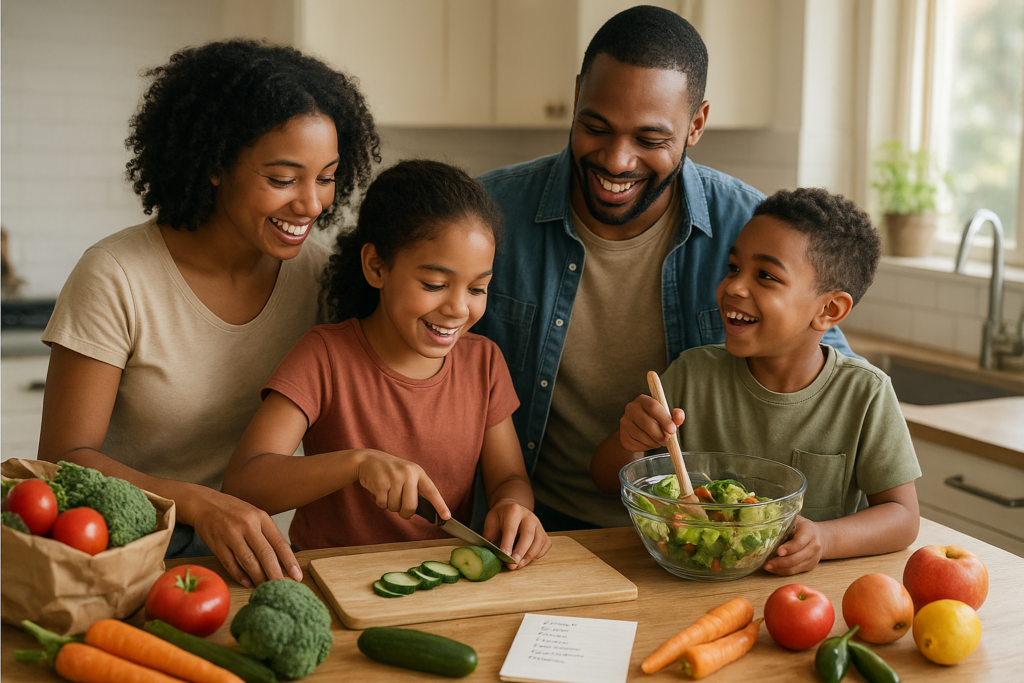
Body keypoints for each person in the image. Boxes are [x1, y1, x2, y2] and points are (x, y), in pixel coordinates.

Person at [473, 5, 857, 531]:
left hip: (690, 536)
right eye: (595, 127)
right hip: (535, 528)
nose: (616, 160)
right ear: (579, 92)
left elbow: (831, 380)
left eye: (650, 140)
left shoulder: (753, 230)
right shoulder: (487, 215)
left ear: (696, 124)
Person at [38, 39, 380, 587]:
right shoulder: (116, 275)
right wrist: (201, 504)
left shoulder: (319, 278)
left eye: (326, 177)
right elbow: (63, 460)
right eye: (283, 178)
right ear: (217, 165)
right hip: (122, 552)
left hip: (259, 558)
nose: (312, 204)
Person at [222, 160, 551, 569]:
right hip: (331, 578)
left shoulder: (483, 363)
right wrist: (358, 463)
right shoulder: (324, 356)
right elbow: (244, 483)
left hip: (442, 578)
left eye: (478, 288)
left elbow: (509, 480)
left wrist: (512, 507)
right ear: (377, 267)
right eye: (434, 285)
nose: (458, 308)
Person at [592, 188, 921, 575]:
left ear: (829, 310)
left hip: (807, 597)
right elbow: (604, 478)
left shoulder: (865, 394)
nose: (734, 286)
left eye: (765, 275)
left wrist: (825, 539)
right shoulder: (692, 375)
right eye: (734, 267)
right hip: (691, 579)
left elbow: (903, 517)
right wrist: (629, 442)